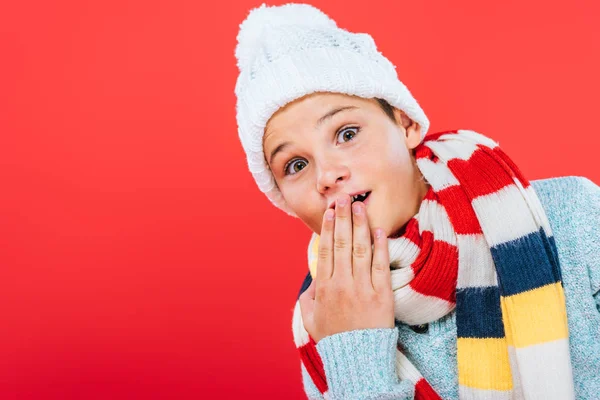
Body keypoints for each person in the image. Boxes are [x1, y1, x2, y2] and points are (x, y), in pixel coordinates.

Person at [233, 3, 600, 399]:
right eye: (296, 164)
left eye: (347, 133)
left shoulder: (570, 218)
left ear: (406, 124)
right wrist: (354, 352)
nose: (326, 175)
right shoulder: (321, 320)